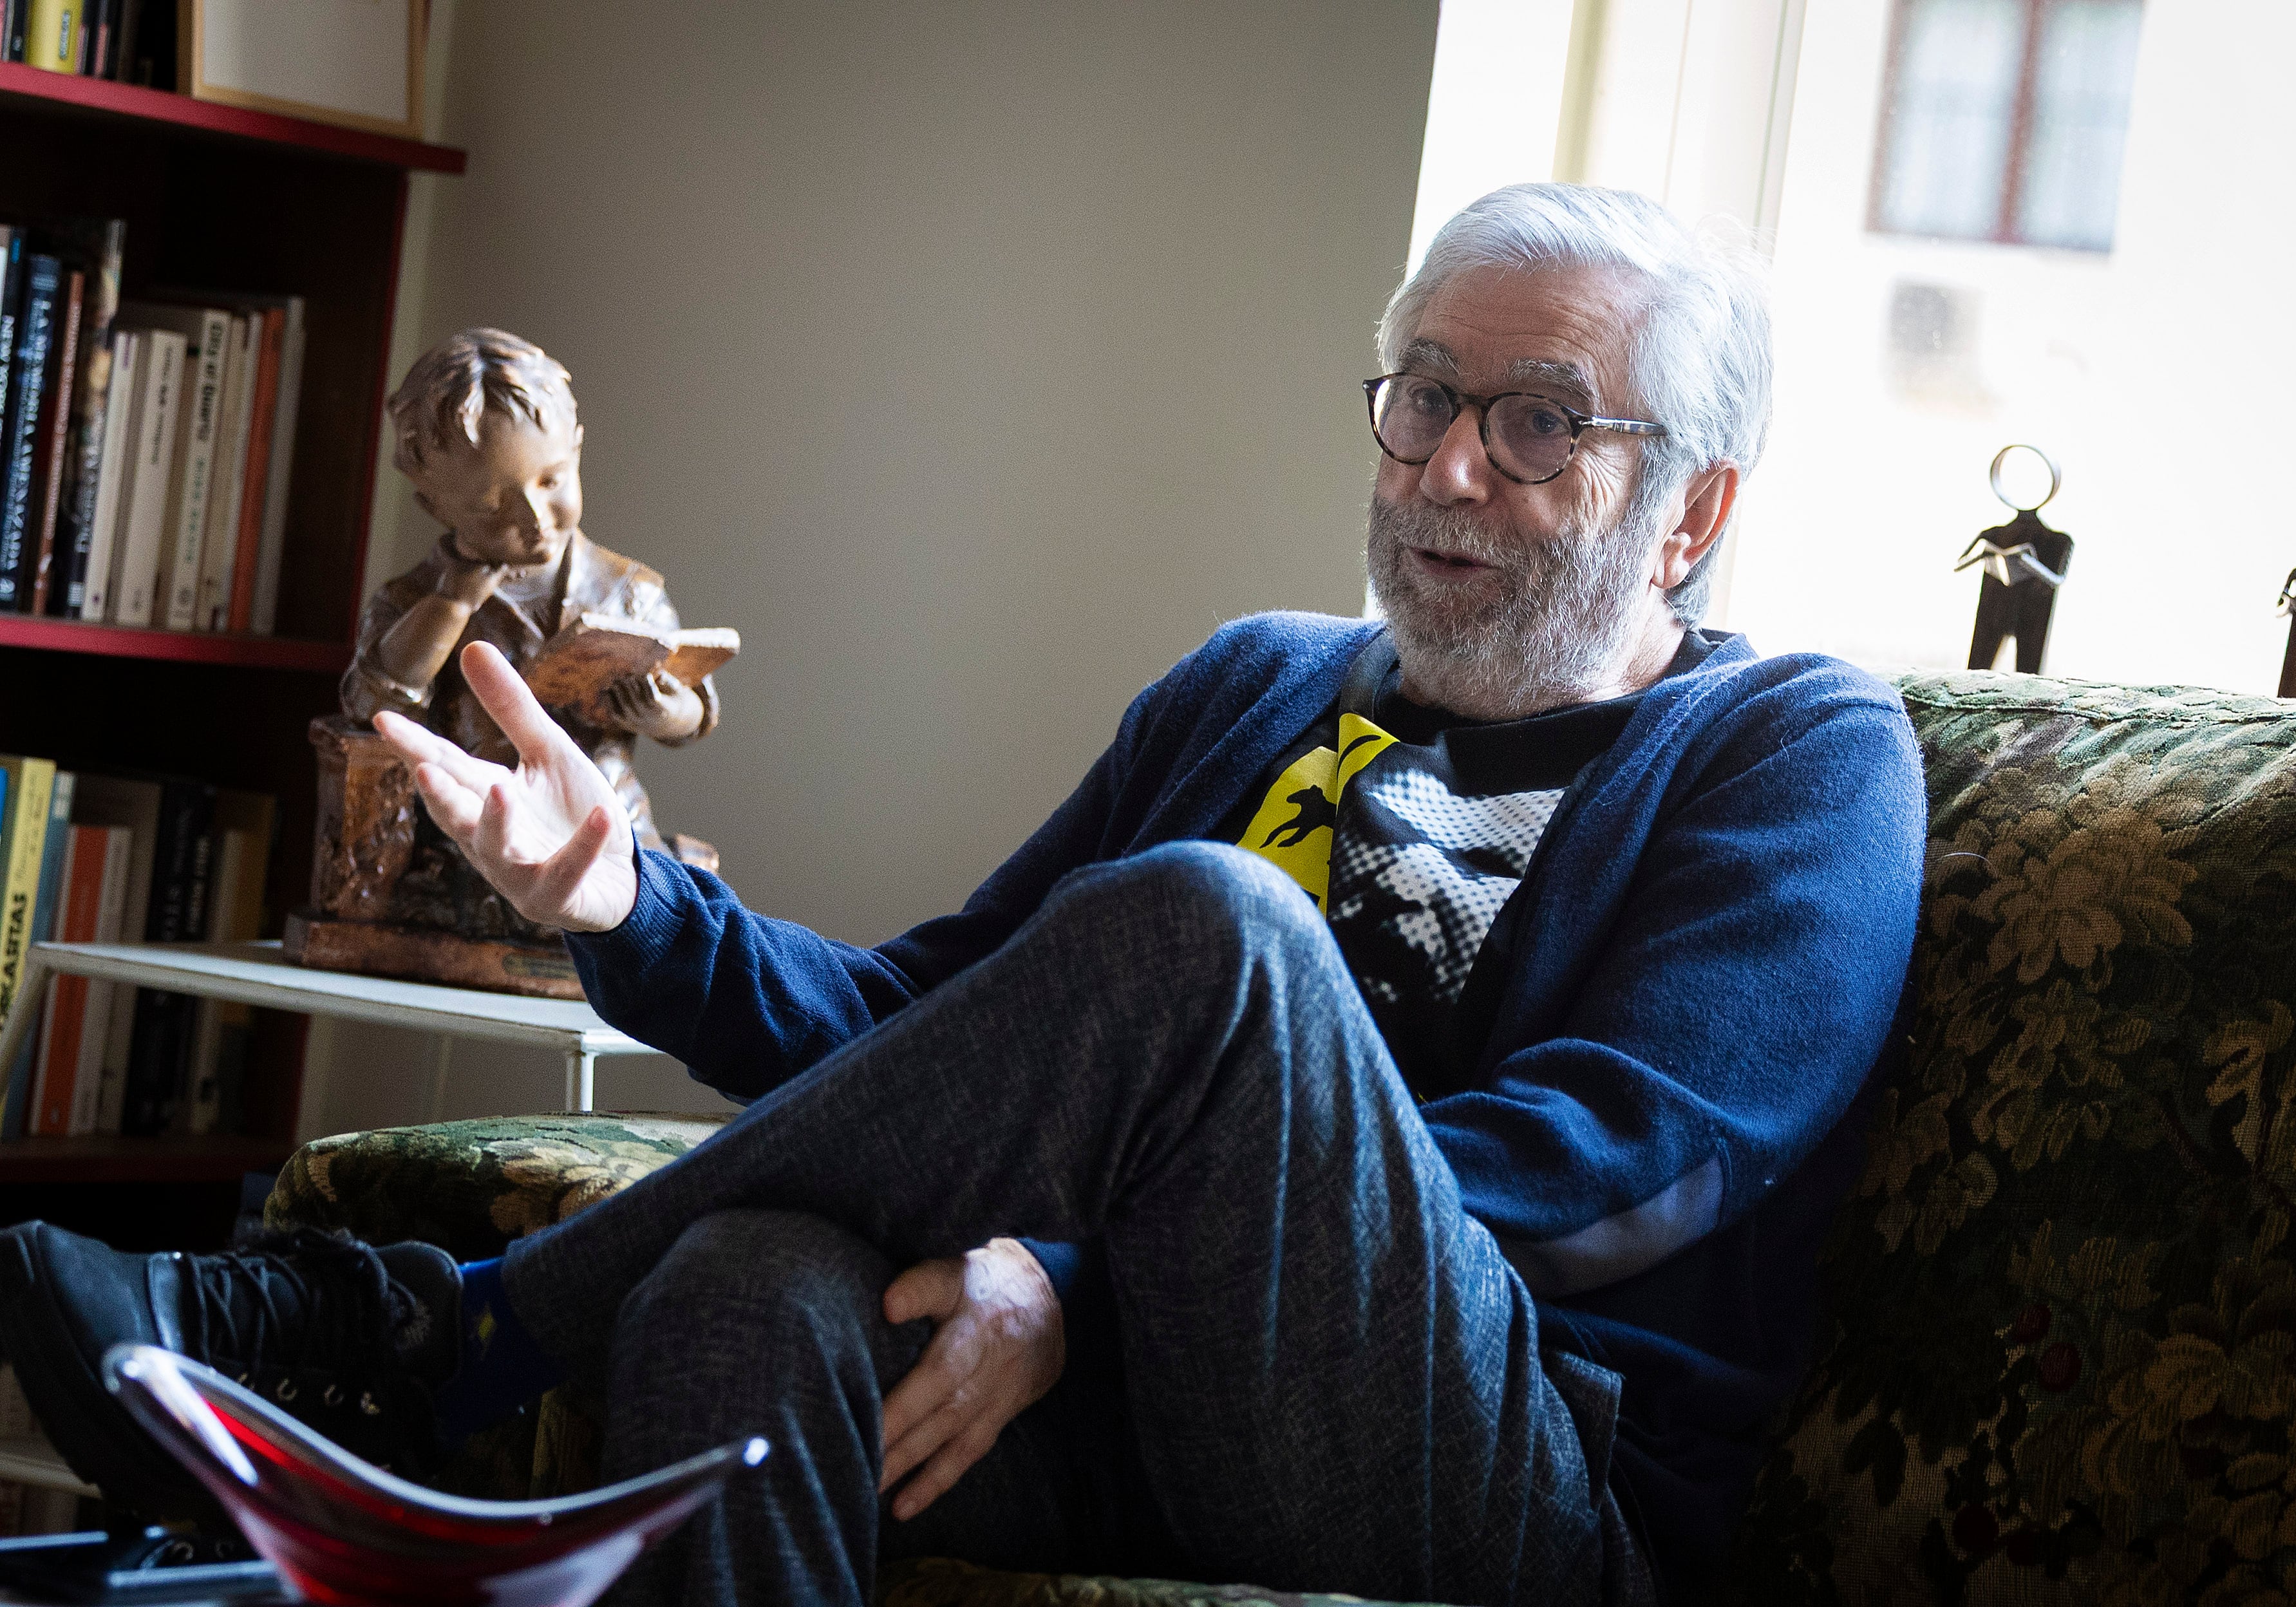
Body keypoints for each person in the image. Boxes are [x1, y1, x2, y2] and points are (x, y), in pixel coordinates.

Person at [0, 185, 1925, 1607]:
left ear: (1691, 507)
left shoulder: (1794, 749)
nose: (1447, 467)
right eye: (1421, 397)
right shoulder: (1256, 688)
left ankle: (424, 1328)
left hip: (1490, 1471)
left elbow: (1620, 1165)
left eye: (1540, 421)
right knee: (748, 1284)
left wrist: (1095, 1280)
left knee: (1214, 928)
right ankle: (418, 1334)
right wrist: (636, 910)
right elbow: (948, 1030)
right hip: (1129, 1430)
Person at [344, 327, 722, 937]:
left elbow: (694, 711)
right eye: (492, 508)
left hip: (607, 817)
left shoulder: (628, 590)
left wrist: (663, 709)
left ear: (576, 448)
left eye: (551, 482)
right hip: (479, 828)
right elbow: (373, 703)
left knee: (644, 906)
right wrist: (452, 604)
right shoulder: (412, 602)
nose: (534, 520)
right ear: (435, 507)